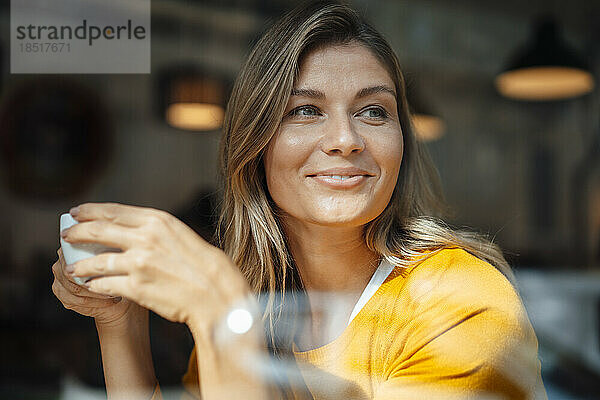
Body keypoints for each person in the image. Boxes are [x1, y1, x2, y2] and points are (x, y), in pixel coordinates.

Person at [51, 1, 547, 399]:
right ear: (256, 144)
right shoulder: (257, 305)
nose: (345, 139)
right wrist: (119, 323)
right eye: (306, 110)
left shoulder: (461, 301)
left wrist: (221, 311)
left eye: (374, 111)